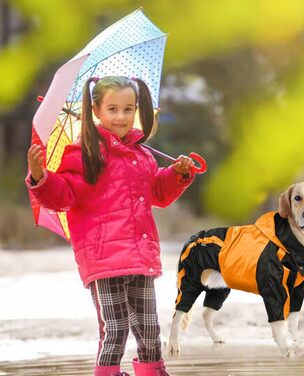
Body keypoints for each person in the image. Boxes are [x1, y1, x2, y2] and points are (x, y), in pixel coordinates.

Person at [26, 76, 195, 376]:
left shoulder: (141, 155)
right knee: (115, 330)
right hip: (104, 259)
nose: (121, 117)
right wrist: (41, 177)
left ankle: (152, 371)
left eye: (128, 109)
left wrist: (177, 173)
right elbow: (63, 195)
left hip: (141, 256)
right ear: (96, 110)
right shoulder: (85, 154)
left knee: (149, 329)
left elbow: (157, 193)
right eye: (113, 109)